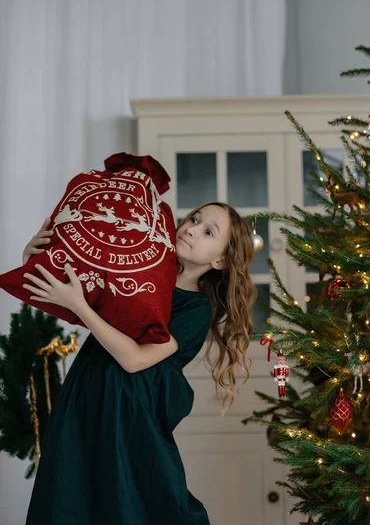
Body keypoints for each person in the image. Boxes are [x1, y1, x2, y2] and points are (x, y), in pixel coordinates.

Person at [23, 202, 256, 525]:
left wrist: (80, 306)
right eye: (193, 218)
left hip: (130, 419)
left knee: (132, 505)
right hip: (86, 395)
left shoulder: (196, 310)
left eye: (207, 231)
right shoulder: (138, 270)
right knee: (68, 493)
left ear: (220, 260)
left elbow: (134, 360)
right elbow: (67, 287)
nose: (190, 228)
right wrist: (34, 258)